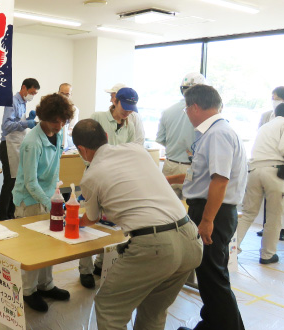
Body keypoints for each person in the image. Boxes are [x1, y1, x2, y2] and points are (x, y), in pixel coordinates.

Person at [72, 119, 203, 330]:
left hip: (156, 246)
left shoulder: (91, 176)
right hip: (190, 239)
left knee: (109, 306)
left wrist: (77, 222)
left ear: (81, 150)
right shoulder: (137, 150)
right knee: (154, 311)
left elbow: (93, 217)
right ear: (106, 137)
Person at [167, 84, 247, 330]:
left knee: (213, 277)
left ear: (194, 107)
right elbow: (199, 175)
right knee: (208, 274)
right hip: (210, 209)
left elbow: (220, 180)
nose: (187, 115)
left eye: (186, 110)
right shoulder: (212, 132)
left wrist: (207, 220)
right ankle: (212, 323)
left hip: (214, 211)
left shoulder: (218, 133)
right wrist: (165, 179)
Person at [12, 93, 75, 312]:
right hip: (29, 200)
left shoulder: (58, 136)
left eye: (63, 121)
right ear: (44, 118)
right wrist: (50, 203)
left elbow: (54, 168)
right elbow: (30, 182)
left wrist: (56, 197)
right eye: (55, 120)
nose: (59, 125)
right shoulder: (31, 142)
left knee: (49, 244)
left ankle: (46, 285)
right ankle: (28, 291)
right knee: (31, 249)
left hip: (49, 198)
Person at [78, 87, 139, 289]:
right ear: (115, 101)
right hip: (95, 176)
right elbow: (83, 145)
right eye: (125, 107)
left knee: (112, 224)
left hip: (117, 180)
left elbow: (131, 152)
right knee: (89, 221)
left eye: (131, 109)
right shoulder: (98, 118)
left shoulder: (130, 124)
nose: (127, 112)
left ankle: (101, 263)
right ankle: (84, 269)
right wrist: (92, 164)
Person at [237, 102, 284, 265]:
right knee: (274, 216)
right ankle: (267, 254)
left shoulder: (265, 126)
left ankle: (231, 249)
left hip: (254, 170)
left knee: (248, 213)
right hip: (275, 172)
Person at [257, 86, 284, 241]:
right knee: (269, 209)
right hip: (266, 165)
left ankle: (281, 232)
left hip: (282, 165)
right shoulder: (266, 116)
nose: (273, 101)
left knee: (277, 209)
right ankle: (267, 239)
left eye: (276, 97)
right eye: (273, 97)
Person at [156, 72, 205, 199]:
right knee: (191, 212)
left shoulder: (167, 111)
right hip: (192, 168)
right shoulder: (203, 113)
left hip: (170, 166)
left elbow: (161, 139)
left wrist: (175, 145)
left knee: (166, 209)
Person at [0, 78, 39, 221]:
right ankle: (2, 217)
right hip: (8, 145)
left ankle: (10, 214)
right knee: (9, 183)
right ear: (24, 88)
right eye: (32, 92)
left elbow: (17, 122)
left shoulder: (23, 103)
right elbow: (7, 125)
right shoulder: (12, 101)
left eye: (35, 94)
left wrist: (27, 118)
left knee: (15, 182)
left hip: (16, 145)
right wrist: (27, 123)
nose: (32, 96)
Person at [58, 83, 79, 150]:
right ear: (58, 93)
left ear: (71, 95)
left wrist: (66, 131)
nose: (64, 96)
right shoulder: (52, 107)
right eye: (62, 93)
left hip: (67, 143)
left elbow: (71, 128)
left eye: (67, 94)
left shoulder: (74, 110)